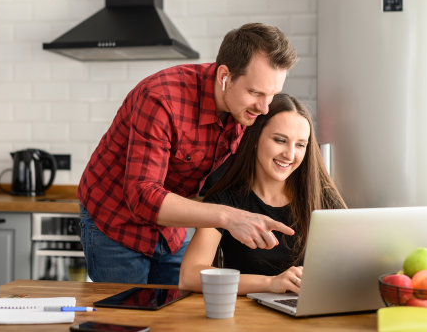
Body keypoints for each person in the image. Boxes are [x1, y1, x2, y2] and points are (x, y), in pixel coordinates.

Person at [78, 23, 299, 285]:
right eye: (255, 92)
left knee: (178, 316)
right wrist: (229, 217)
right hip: (116, 222)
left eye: (271, 95)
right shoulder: (161, 98)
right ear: (224, 76)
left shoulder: (244, 109)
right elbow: (142, 196)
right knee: (128, 320)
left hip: (171, 227)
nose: (264, 108)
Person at [178, 94, 347, 295]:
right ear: (255, 138)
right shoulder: (225, 200)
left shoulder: (322, 196)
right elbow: (188, 276)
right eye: (280, 140)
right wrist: (270, 283)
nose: (290, 154)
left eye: (300, 144)